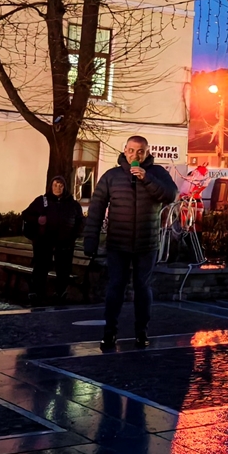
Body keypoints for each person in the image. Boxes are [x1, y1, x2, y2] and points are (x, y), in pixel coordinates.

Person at [83, 136, 177, 350]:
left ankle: (141, 332)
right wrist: (91, 239)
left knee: (143, 288)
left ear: (147, 152)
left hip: (147, 243)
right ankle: (109, 332)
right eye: (132, 150)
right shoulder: (112, 176)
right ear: (125, 150)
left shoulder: (157, 173)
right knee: (115, 286)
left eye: (141, 151)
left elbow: (170, 195)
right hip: (118, 243)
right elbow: (96, 208)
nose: (136, 155)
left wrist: (147, 178)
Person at [24, 176, 85, 305]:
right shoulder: (41, 201)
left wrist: (74, 235)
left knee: (63, 269)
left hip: (65, 242)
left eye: (61, 185)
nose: (58, 188)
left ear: (65, 187)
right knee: (41, 267)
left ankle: (60, 293)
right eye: (55, 185)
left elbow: (80, 222)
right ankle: (36, 293)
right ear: (51, 186)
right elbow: (26, 214)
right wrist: (37, 220)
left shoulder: (72, 204)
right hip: (44, 241)